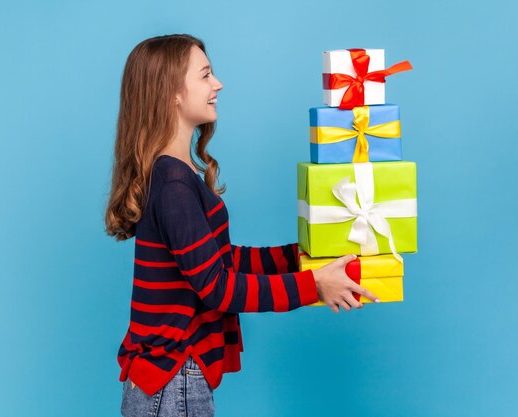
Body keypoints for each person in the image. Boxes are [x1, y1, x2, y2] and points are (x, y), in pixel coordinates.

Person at [104, 34, 379, 417]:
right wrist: (312, 285)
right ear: (172, 93)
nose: (218, 84)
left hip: (169, 382)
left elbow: (220, 260)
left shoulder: (176, 175)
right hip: (170, 382)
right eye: (205, 75)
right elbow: (217, 288)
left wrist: (298, 257)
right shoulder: (173, 184)